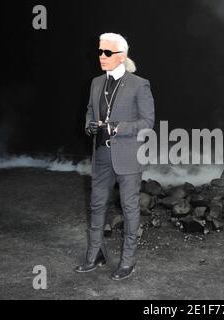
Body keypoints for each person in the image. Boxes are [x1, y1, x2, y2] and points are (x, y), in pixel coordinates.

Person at [75, 33, 155, 281]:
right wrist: (89, 125)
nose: (101, 56)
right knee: (97, 205)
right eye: (100, 51)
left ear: (122, 56)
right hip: (101, 154)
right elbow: (90, 111)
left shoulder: (139, 84)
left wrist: (117, 127)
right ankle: (94, 255)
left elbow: (147, 123)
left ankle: (127, 262)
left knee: (130, 208)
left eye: (107, 53)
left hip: (128, 156)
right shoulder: (96, 83)